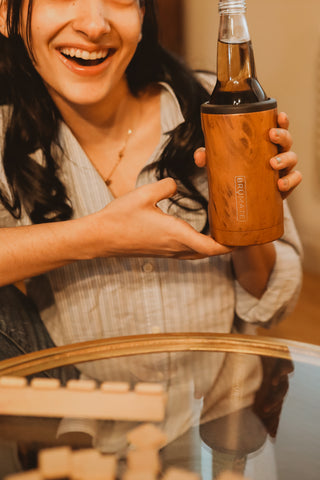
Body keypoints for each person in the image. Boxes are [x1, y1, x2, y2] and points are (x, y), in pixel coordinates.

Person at [0, 0, 302, 381]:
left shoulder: (209, 102)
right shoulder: (5, 138)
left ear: (143, 15)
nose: (94, 25)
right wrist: (98, 238)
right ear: (5, 13)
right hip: (86, 420)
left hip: (220, 409)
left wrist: (254, 208)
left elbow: (271, 303)